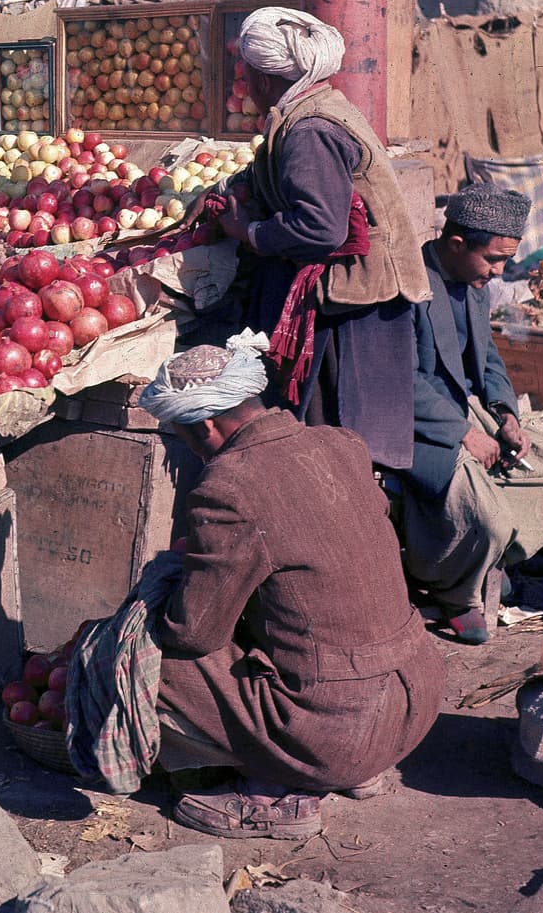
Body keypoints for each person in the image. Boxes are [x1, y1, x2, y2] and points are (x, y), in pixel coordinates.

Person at [140, 334, 444, 840]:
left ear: (208, 427)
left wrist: (163, 589)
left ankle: (274, 789)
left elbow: (193, 634)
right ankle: (350, 767)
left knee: (143, 658)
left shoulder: (226, 488)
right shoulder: (341, 443)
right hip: (416, 701)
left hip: (337, 733)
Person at [215, 7, 430, 473]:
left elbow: (320, 227)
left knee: (340, 439)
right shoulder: (312, 107)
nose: (245, 83)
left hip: (352, 302)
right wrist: (228, 189)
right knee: (340, 441)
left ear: (265, 80)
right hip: (350, 291)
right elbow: (275, 174)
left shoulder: (310, 129)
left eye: (246, 73)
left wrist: (248, 232)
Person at [399, 184, 543, 644]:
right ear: (456, 244)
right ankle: (456, 592)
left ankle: (503, 558)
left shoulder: (475, 284)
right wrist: (464, 432)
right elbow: (399, 382)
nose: (501, 271)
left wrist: (506, 413)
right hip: (416, 425)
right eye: (493, 260)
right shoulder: (405, 287)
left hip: (467, 412)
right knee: (483, 512)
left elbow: (487, 361)